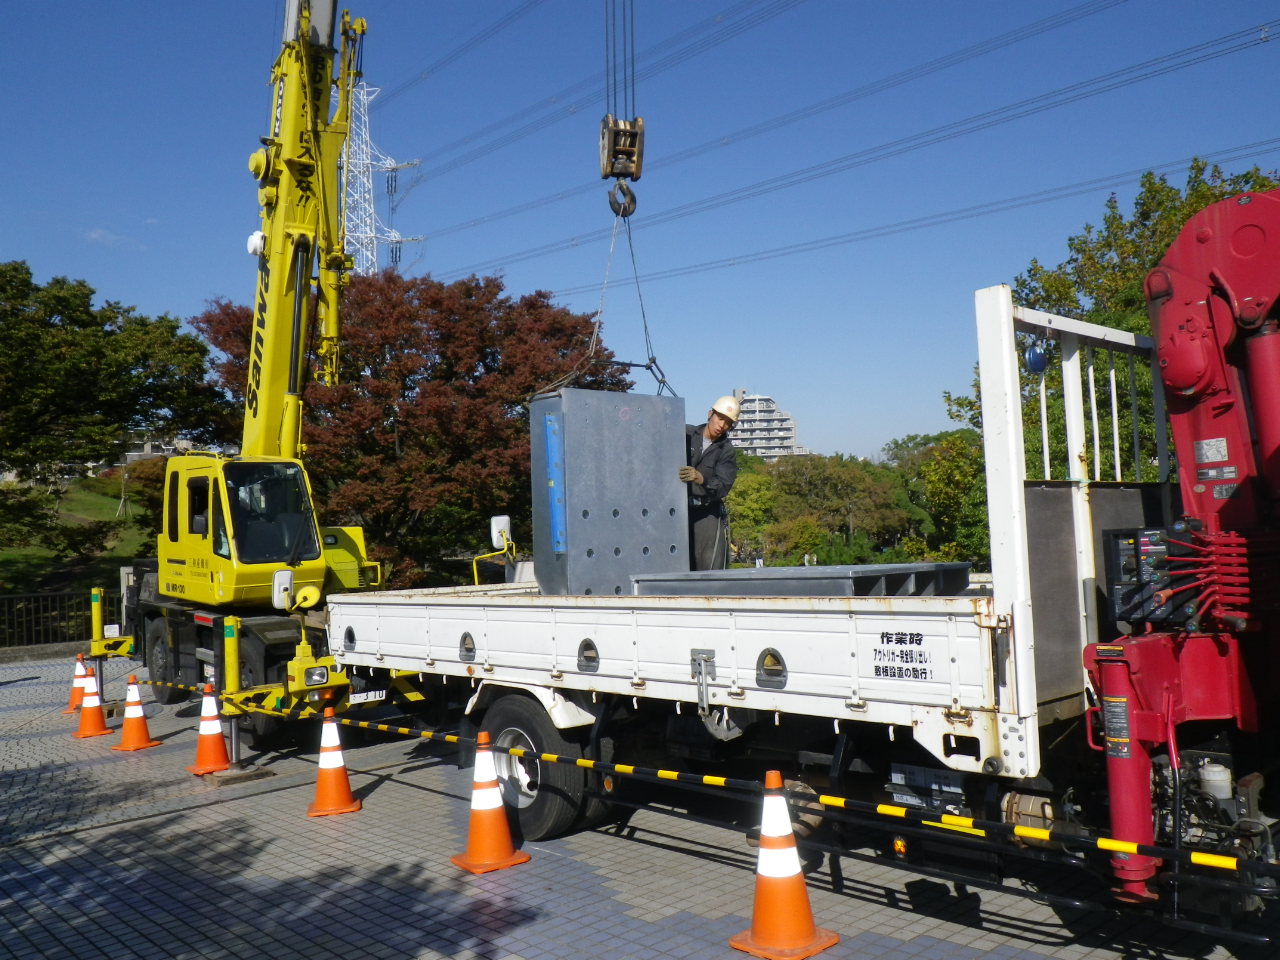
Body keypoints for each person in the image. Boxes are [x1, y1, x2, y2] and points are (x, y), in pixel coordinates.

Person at [680, 395, 740, 570]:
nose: (722, 425)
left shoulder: (726, 450)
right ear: (710, 414)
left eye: (728, 422)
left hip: (706, 514)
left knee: (710, 569)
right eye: (720, 418)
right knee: (678, 565)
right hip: (677, 511)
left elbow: (723, 486)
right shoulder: (685, 434)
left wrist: (702, 479)